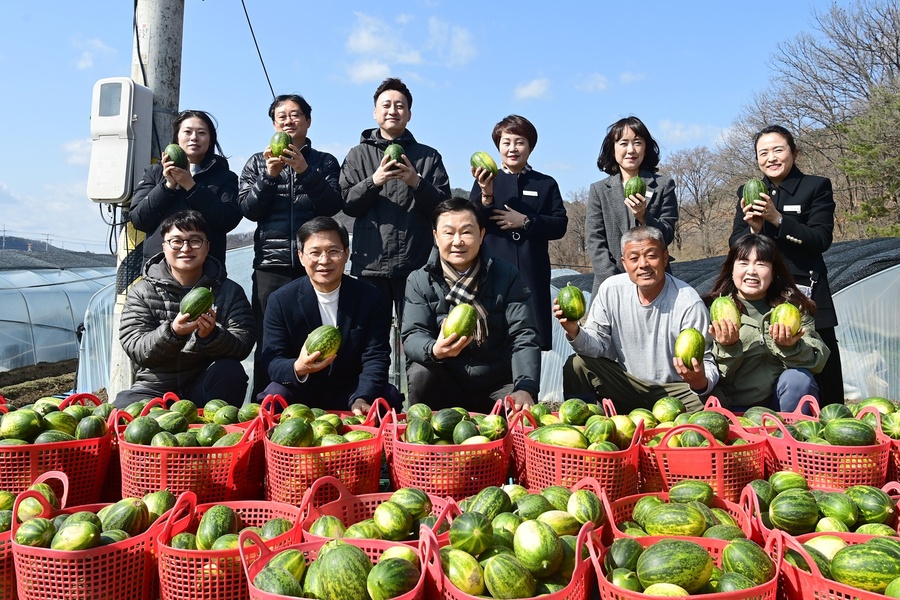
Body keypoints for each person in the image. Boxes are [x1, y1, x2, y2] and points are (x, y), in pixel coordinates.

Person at [730, 124, 843, 405]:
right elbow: (735, 244)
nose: (771, 158)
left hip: (806, 291)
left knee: (822, 365)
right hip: (763, 294)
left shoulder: (816, 186)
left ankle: (830, 420)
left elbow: (820, 239)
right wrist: (754, 230)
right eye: (763, 153)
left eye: (778, 150)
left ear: (794, 152)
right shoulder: (747, 191)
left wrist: (777, 220)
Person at [239, 94, 342, 397]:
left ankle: (318, 401)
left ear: (308, 121)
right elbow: (248, 209)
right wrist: (270, 176)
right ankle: (265, 402)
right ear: (274, 124)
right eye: (281, 116)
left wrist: (305, 171)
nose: (288, 121)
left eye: (295, 115)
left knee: (317, 335)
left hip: (315, 265)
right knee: (269, 341)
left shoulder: (324, 161)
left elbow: (332, 204)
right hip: (271, 265)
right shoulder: (257, 162)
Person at [402, 198, 540, 413]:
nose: (458, 241)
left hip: (496, 383)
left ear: (482, 234)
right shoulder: (420, 280)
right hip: (444, 380)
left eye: (466, 232)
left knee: (519, 406)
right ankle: (423, 432)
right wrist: (434, 350)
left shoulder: (507, 276)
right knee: (421, 372)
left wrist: (525, 387)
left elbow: (523, 334)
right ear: (435, 236)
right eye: (449, 233)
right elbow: (413, 334)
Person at [559, 225, 717, 413]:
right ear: (624, 263)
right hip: (627, 384)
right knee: (577, 364)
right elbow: (597, 345)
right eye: (634, 258)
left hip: (674, 390)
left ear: (665, 258)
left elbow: (707, 361)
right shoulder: (611, 290)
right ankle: (581, 420)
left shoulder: (688, 302)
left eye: (651, 256)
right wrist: (574, 331)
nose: (643, 264)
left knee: (713, 400)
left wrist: (699, 381)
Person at [259, 217, 400, 413]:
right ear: (301, 257)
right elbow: (272, 359)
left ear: (346, 254)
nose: (324, 260)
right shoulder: (281, 301)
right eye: (315, 253)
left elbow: (376, 356)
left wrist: (362, 397)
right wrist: (299, 367)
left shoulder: (371, 298)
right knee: (274, 395)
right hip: (302, 391)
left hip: (351, 391)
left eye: (333, 251)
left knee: (388, 395)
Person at [115, 210, 255, 408]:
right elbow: (136, 347)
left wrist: (212, 336)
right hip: (156, 386)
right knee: (124, 406)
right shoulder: (142, 291)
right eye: (176, 241)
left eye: (195, 241)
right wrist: (173, 333)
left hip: (204, 382)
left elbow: (243, 343)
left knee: (230, 372)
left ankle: (217, 424)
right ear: (164, 246)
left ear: (207, 246)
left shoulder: (229, 291)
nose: (186, 248)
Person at [340, 77, 451, 324]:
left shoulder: (428, 157)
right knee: (370, 337)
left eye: (400, 106)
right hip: (370, 265)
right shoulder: (357, 155)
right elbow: (347, 203)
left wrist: (416, 182)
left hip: (416, 265)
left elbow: (444, 210)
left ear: (409, 114)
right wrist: (374, 181)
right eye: (386, 105)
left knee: (418, 332)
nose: (393, 110)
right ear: (375, 112)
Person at [469, 115, 568, 350]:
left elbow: (559, 225)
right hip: (492, 273)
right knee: (494, 342)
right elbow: (472, 222)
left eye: (520, 142)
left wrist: (525, 221)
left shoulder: (545, 183)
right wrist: (486, 195)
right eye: (506, 142)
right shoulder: (486, 180)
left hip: (532, 272)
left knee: (531, 340)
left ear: (530, 146)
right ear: (498, 147)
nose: (512, 148)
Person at [704, 234, 829, 412]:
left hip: (781, 406)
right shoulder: (711, 309)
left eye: (761, 264)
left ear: (774, 271)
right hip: (732, 408)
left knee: (798, 379)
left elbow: (818, 360)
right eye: (743, 263)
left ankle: (792, 427)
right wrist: (728, 348)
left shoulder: (794, 308)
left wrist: (792, 348)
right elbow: (709, 375)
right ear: (731, 270)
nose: (751, 271)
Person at [129, 110, 241, 265]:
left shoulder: (225, 178)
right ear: (177, 138)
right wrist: (168, 186)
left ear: (210, 140)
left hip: (207, 269)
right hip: (159, 268)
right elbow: (139, 220)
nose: (194, 138)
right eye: (187, 132)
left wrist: (191, 186)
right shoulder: (154, 173)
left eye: (201, 133)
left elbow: (227, 221)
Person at [585, 116, 678, 300]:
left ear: (646, 147)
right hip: (610, 285)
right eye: (623, 143)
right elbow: (595, 240)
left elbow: (667, 234)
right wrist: (615, 282)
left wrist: (644, 217)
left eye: (637, 142)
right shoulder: (599, 190)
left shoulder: (663, 185)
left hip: (653, 282)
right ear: (612, 149)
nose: (631, 150)